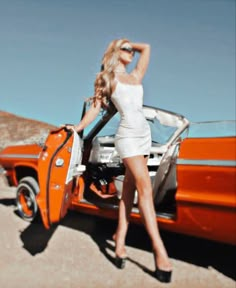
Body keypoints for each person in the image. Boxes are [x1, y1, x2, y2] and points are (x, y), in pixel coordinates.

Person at [65, 38, 172, 283]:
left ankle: (120, 241)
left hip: (144, 135)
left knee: (128, 193)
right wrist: (78, 127)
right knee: (145, 192)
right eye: (126, 49)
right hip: (128, 137)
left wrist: (128, 42)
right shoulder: (107, 79)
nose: (131, 53)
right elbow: (95, 107)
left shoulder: (136, 76)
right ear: (116, 52)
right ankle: (160, 252)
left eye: (131, 50)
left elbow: (148, 47)